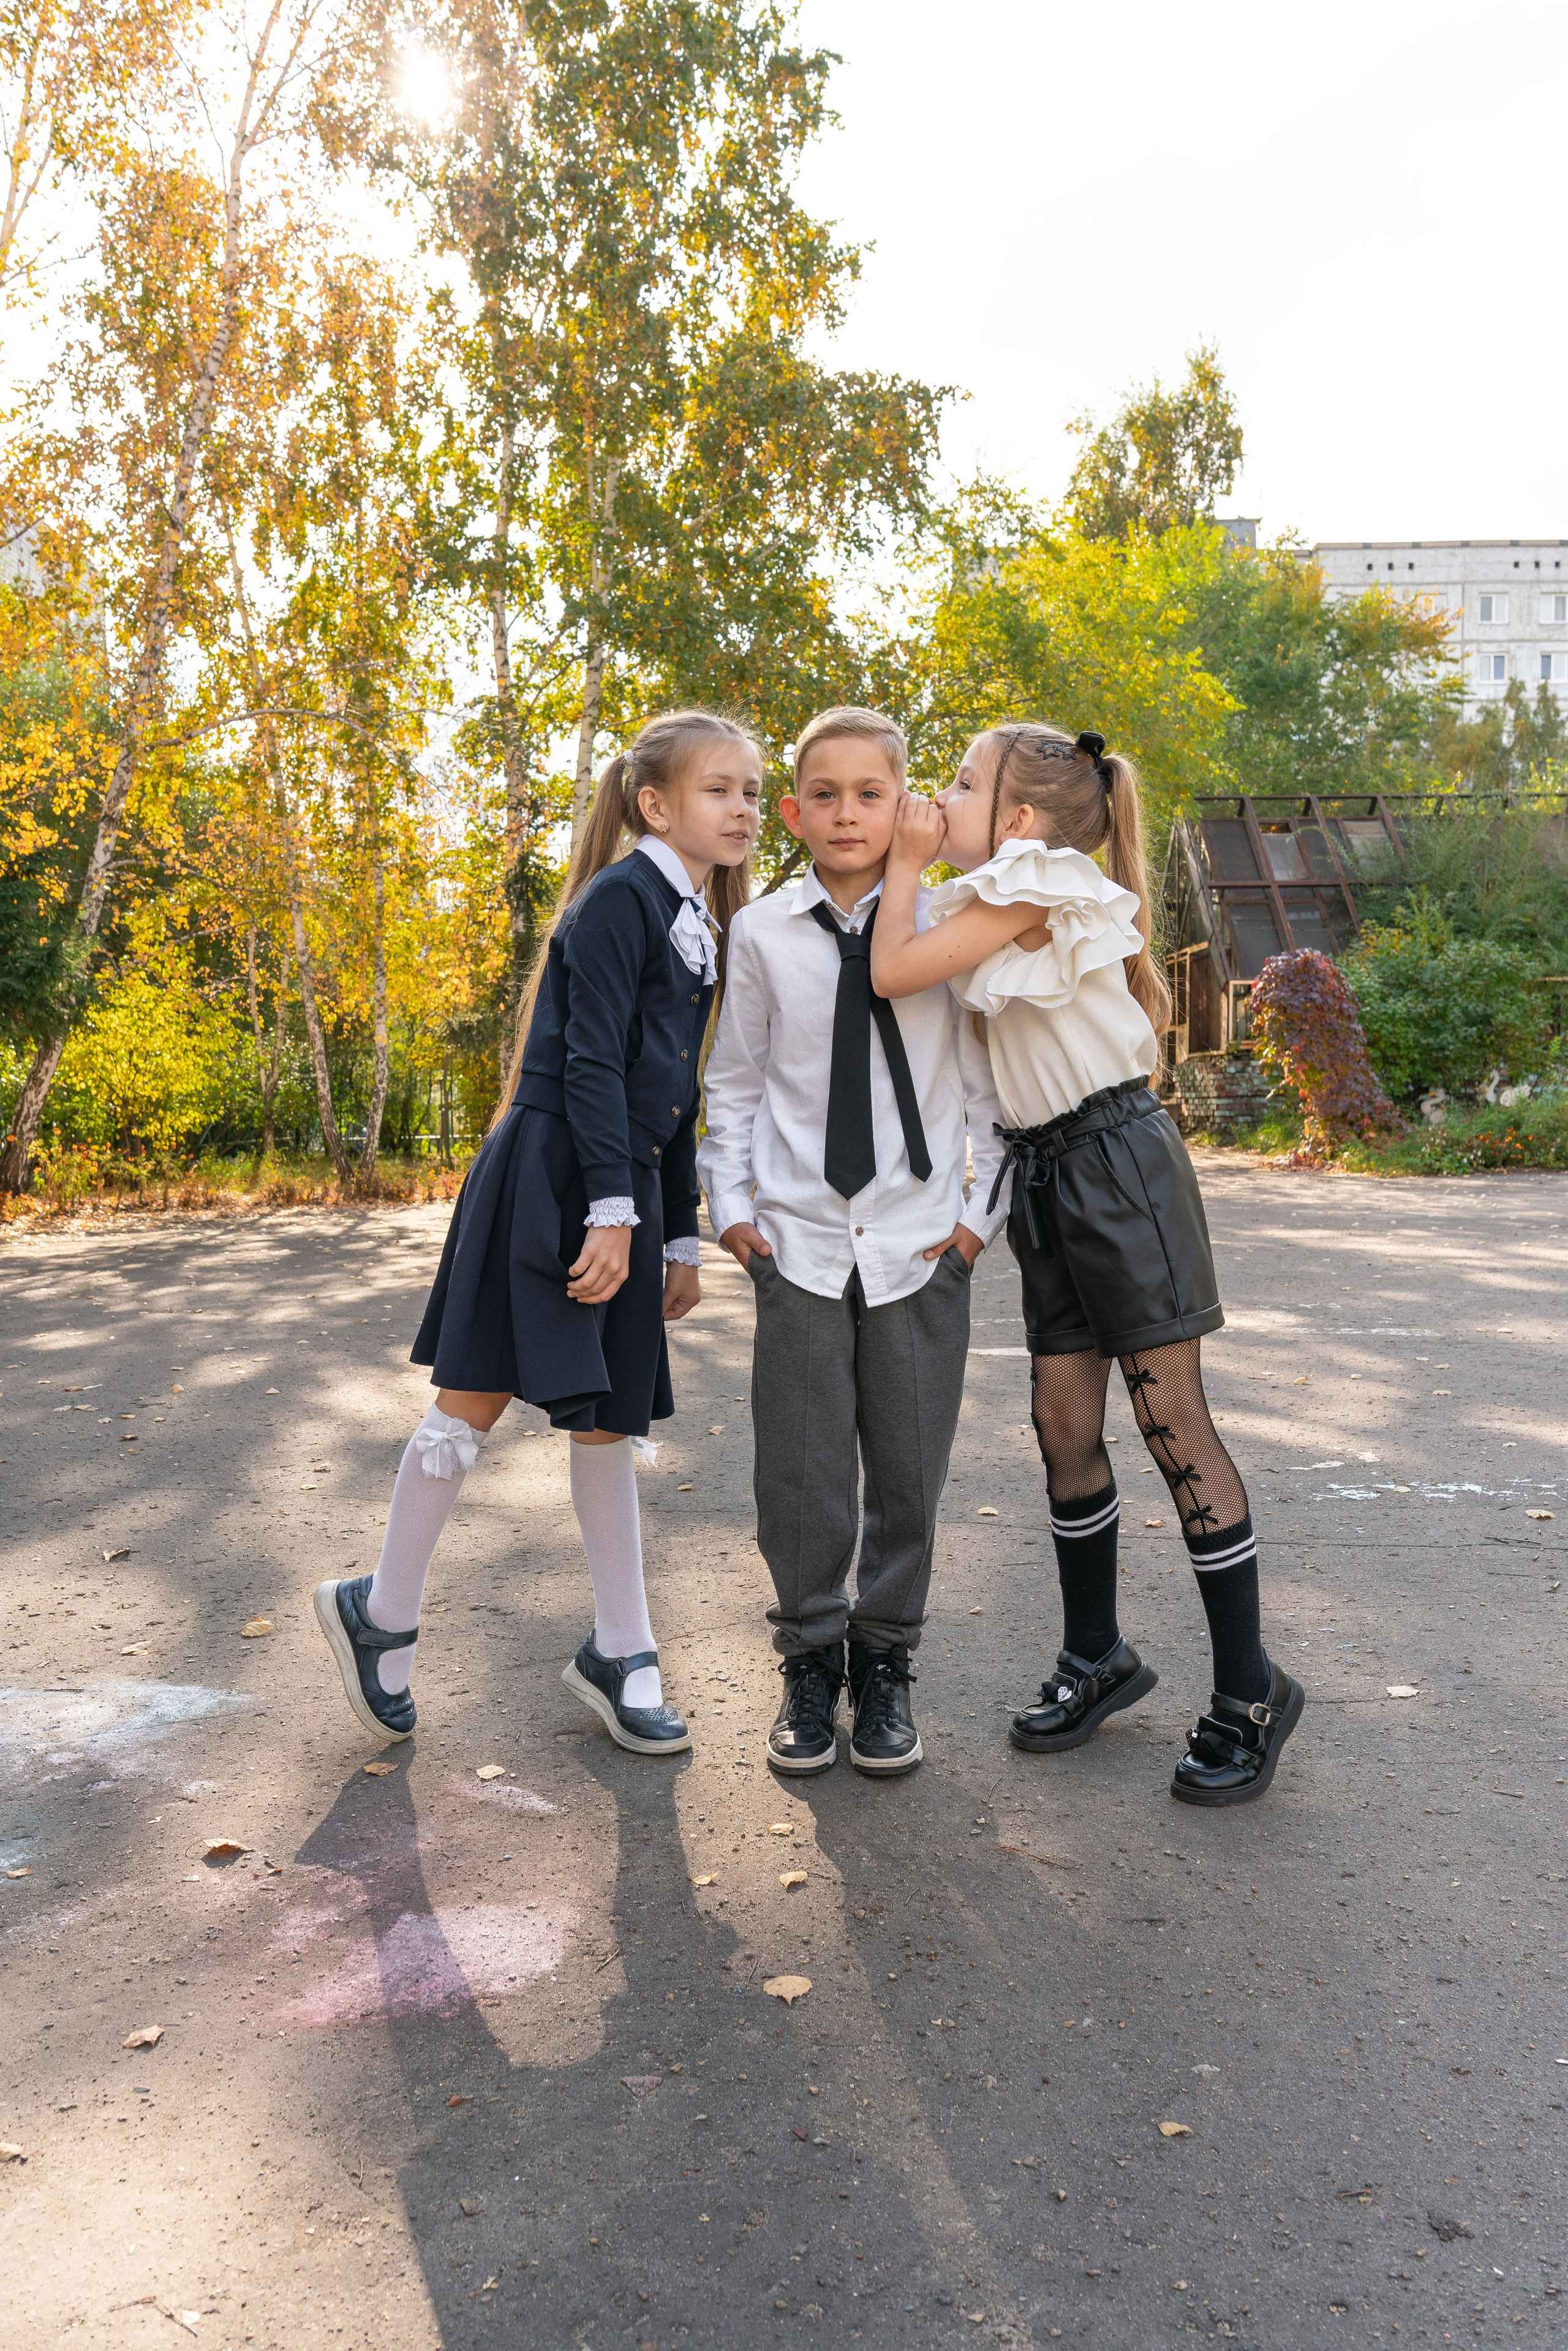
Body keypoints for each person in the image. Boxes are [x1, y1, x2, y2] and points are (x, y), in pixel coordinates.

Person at [870, 725, 1304, 1808]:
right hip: (1049, 1172)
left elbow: (889, 969)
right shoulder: (1001, 891)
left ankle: (1252, 1691)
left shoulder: (1034, 880)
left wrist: (904, 860)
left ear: (1017, 820)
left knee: (1171, 1424)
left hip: (1119, 1163)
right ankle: (1097, 1655)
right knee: (1063, 1422)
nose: (942, 794)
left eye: (963, 784)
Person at [314, 710, 760, 1756]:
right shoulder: (619, 901)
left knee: (605, 1415)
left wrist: (679, 1233)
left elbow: (672, 1088)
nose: (743, 809)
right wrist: (614, 1210)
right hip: (556, 1176)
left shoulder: (694, 916)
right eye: (720, 790)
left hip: (621, 1180)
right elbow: (597, 1063)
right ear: (655, 805)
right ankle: (381, 1612)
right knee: (473, 1398)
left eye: (750, 791)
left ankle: (623, 1648)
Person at [698, 706, 1009, 1778]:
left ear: (906, 806)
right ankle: (810, 1661)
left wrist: (975, 1228)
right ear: (793, 811)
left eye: (869, 793)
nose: (845, 813)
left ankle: (884, 1666)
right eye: (823, 795)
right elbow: (736, 1081)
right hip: (798, 1241)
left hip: (922, 1245)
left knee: (910, 1472)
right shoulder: (763, 932)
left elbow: (987, 1090)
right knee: (800, 1471)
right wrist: (733, 1215)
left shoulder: (949, 922)